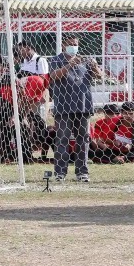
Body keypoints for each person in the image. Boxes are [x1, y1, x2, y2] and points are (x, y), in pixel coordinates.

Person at [49, 35, 103, 181]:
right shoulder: (56, 60)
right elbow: (53, 76)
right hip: (64, 107)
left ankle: (82, 172)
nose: (74, 47)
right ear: (63, 45)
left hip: (83, 105)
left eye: (75, 44)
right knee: (62, 140)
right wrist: (70, 65)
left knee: (83, 140)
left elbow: (100, 76)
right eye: (70, 44)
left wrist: (95, 66)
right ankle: (60, 173)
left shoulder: (84, 60)